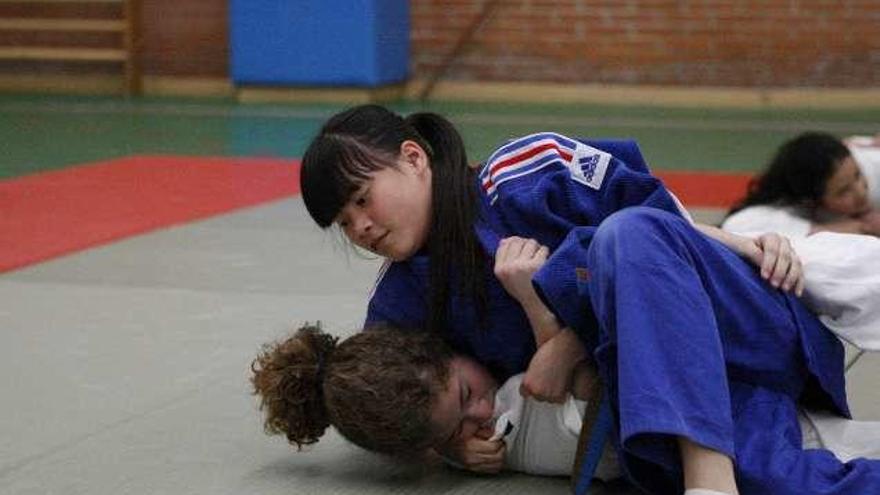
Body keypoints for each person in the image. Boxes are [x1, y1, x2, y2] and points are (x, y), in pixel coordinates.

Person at [297, 105, 862, 494]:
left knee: (624, 236)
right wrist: (450, 446)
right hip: (686, 397)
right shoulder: (401, 304)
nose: (362, 228)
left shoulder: (522, 174)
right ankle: (716, 472)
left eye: (363, 200)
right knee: (776, 482)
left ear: (414, 158)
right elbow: (396, 404)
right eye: (344, 223)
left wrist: (747, 244)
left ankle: (707, 481)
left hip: (738, 324)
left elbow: (659, 229)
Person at [251, 321, 880, 487]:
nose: (478, 417)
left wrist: (535, 310)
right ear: (426, 446)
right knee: (805, 461)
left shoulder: (477, 318)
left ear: (447, 348)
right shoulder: (476, 437)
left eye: (468, 395)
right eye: (452, 430)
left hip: (714, 379)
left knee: (787, 470)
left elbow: (592, 375)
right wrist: (454, 452)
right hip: (696, 420)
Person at [723, 131, 880, 237]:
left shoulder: (870, 165)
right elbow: (734, 226)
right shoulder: (793, 206)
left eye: (858, 175)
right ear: (811, 201)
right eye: (843, 192)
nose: (860, 192)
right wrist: (858, 228)